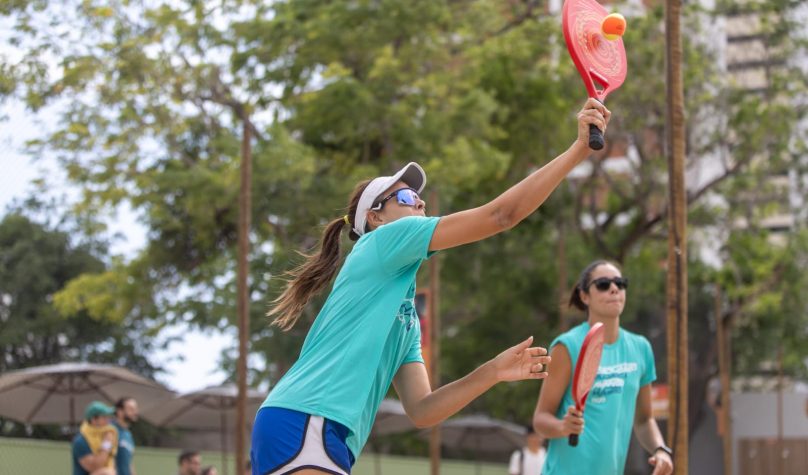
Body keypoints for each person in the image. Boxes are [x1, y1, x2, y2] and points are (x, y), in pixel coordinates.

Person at [251, 99, 610, 475]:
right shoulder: (384, 241)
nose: (419, 201)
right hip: (308, 418)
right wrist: (578, 150)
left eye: (419, 197)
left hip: (319, 429)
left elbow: (423, 410)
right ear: (375, 217)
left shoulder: (402, 314)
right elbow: (502, 215)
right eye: (405, 197)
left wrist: (491, 372)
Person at [532, 260, 674, 475]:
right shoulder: (567, 346)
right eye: (603, 284)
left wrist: (660, 449)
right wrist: (563, 427)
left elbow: (644, 420)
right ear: (584, 296)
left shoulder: (640, 348)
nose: (614, 288)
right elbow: (541, 419)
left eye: (620, 283)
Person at [72, 401, 118, 475]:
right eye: (104, 417)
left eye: (109, 417)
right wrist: (107, 443)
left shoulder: (105, 435)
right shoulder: (81, 441)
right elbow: (95, 467)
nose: (108, 421)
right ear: (94, 420)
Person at [112, 397, 138, 475]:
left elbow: (129, 462)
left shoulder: (128, 435)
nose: (135, 412)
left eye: (135, 409)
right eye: (131, 409)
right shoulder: (110, 431)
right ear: (119, 411)